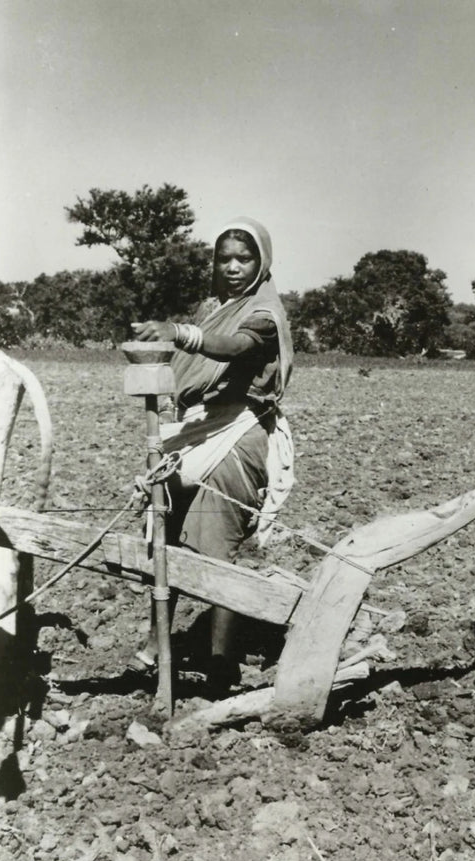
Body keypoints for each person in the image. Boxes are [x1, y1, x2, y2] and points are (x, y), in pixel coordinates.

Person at [130, 217, 294, 692]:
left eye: (244, 258)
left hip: (235, 434)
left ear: (262, 262)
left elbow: (234, 346)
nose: (234, 267)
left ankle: (223, 664)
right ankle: (158, 640)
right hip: (196, 429)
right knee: (168, 533)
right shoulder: (212, 306)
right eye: (224, 258)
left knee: (216, 547)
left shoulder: (264, 313)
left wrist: (178, 332)